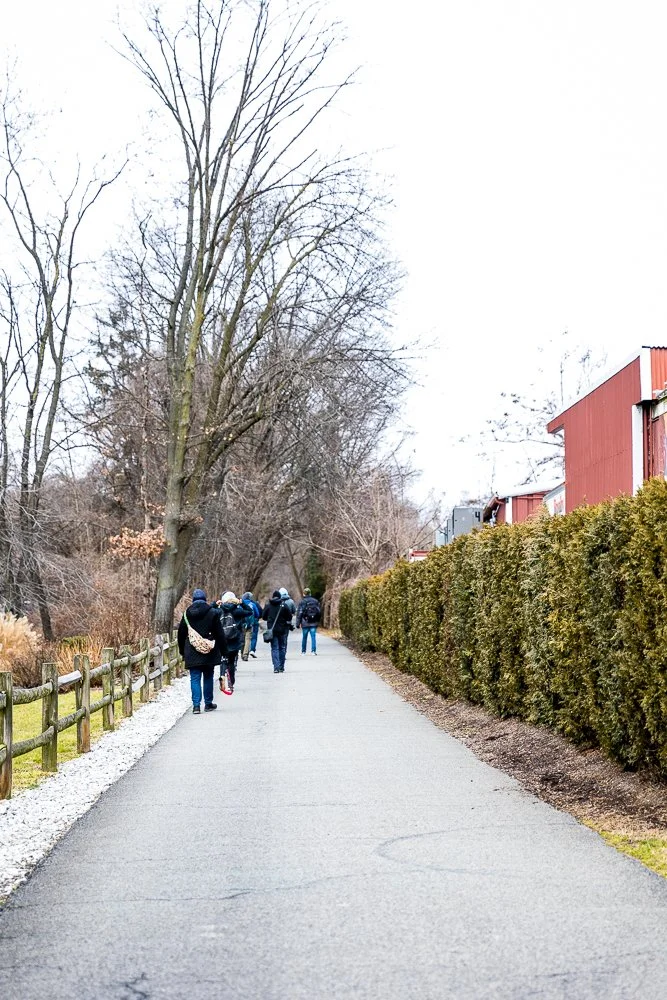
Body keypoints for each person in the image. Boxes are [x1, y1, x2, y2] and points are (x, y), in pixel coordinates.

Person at [177, 588, 222, 714]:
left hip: (192, 651)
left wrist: (182, 651)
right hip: (209, 651)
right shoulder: (212, 613)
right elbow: (219, 633)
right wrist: (223, 651)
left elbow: (181, 634)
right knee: (208, 676)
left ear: (193, 600)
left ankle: (196, 705)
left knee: (195, 678)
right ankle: (208, 704)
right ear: (205, 599)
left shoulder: (187, 614)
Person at [217, 591, 255, 694]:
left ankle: (222, 678)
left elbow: (209, 612)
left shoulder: (219, 611)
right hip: (234, 640)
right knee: (231, 663)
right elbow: (250, 611)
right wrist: (241, 603)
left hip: (222, 640)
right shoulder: (237, 611)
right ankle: (231, 683)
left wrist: (215, 604)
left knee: (223, 661)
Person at [261, 590, 294, 673]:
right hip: (282, 630)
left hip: (272, 630)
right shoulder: (284, 605)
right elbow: (289, 617)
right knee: (282, 647)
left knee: (274, 648)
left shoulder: (268, 605)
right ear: (280, 597)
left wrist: (270, 619)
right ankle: (281, 667)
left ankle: (276, 667)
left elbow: (264, 617)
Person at [296, 588, 321, 655]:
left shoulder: (302, 602)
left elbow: (300, 613)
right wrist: (317, 620)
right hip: (313, 622)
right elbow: (319, 612)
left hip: (305, 622)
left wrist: (298, 623)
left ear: (304, 594)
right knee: (313, 637)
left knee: (304, 637)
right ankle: (313, 651)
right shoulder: (315, 601)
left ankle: (303, 652)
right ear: (310, 593)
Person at [241, 591, 262, 658]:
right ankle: (247, 653)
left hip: (241, 624)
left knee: (242, 638)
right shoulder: (253, 604)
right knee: (249, 638)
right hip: (250, 623)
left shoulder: (240, 604)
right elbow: (257, 614)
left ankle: (242, 653)